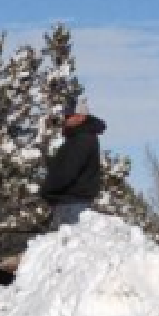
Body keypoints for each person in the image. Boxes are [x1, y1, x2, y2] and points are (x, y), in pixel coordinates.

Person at [40, 96, 105, 229]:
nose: (66, 118)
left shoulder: (82, 139)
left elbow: (67, 171)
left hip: (72, 205)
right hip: (71, 203)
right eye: (66, 115)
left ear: (81, 116)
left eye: (70, 115)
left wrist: (47, 190)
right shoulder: (79, 138)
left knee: (65, 240)